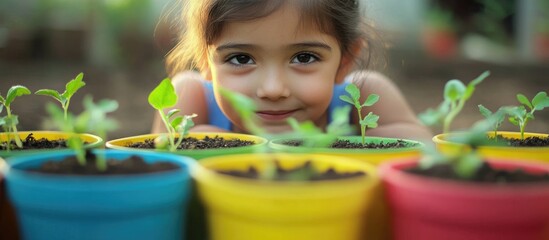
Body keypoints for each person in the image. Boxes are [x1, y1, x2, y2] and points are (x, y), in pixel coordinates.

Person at [152, 0, 432, 142]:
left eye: (304, 57)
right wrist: (205, 142)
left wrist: (345, 143)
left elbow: (424, 146)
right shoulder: (190, 101)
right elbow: (157, 166)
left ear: (345, 61)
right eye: (240, 59)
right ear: (204, 61)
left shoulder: (361, 96)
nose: (273, 89)